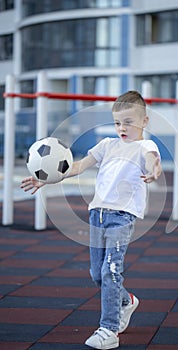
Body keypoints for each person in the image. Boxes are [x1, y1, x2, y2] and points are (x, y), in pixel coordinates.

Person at [21, 90, 162, 349]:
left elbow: (152, 161)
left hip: (122, 217)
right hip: (97, 214)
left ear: (144, 121)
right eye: (118, 122)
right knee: (97, 274)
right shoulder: (107, 145)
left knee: (110, 271)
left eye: (129, 122)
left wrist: (154, 171)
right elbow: (76, 166)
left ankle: (109, 330)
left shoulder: (145, 146)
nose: (122, 127)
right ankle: (126, 301)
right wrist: (48, 178)